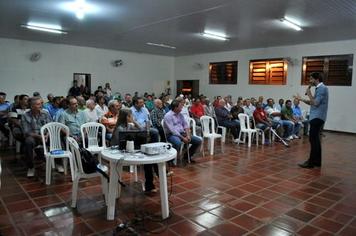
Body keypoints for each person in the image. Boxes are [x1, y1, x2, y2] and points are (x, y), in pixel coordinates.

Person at [111, 108, 157, 193]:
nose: (132, 117)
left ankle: (150, 184)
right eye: (131, 116)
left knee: (149, 159)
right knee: (148, 161)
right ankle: (150, 183)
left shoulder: (128, 125)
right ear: (126, 117)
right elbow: (120, 145)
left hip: (130, 149)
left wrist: (134, 122)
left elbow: (142, 130)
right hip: (121, 153)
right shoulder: (120, 129)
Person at [295, 72, 329, 168]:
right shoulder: (320, 88)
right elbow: (312, 102)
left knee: (313, 140)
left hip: (317, 117)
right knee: (316, 140)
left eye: (311, 79)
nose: (310, 81)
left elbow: (316, 103)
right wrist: (301, 99)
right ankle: (317, 162)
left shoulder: (322, 88)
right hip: (317, 116)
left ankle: (310, 163)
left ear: (316, 79)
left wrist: (309, 93)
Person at [21, 97, 52, 177]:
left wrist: (47, 135)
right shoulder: (25, 115)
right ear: (32, 106)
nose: (41, 105)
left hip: (45, 136)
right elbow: (26, 132)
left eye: (41, 104)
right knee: (28, 142)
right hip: (34, 137)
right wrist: (40, 137)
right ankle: (31, 167)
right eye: (38, 104)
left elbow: (51, 126)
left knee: (56, 139)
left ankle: (58, 162)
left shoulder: (45, 113)